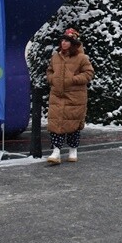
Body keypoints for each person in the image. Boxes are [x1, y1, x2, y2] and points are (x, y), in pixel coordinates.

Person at [46, 28, 94, 165]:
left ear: (73, 43)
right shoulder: (56, 56)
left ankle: (73, 150)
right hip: (57, 95)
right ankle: (56, 152)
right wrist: (52, 79)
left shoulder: (81, 58)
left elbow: (89, 73)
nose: (63, 43)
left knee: (73, 124)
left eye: (67, 41)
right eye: (62, 40)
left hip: (75, 97)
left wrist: (73, 80)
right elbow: (49, 71)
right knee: (56, 124)